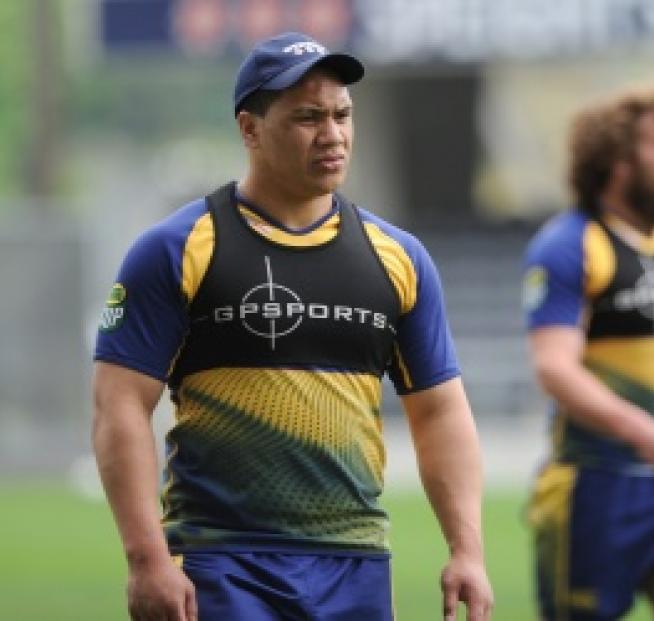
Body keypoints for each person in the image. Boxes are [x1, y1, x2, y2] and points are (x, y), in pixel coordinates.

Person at [92, 32, 492, 621]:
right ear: (250, 129)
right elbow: (119, 406)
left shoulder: (399, 258)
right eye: (308, 117)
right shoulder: (176, 249)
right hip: (221, 562)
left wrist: (468, 549)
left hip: (355, 564)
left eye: (341, 115)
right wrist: (147, 559)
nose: (332, 134)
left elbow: (440, 412)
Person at [522, 86, 654, 621]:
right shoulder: (570, 243)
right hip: (596, 488)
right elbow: (554, 366)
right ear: (619, 162)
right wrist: (647, 432)